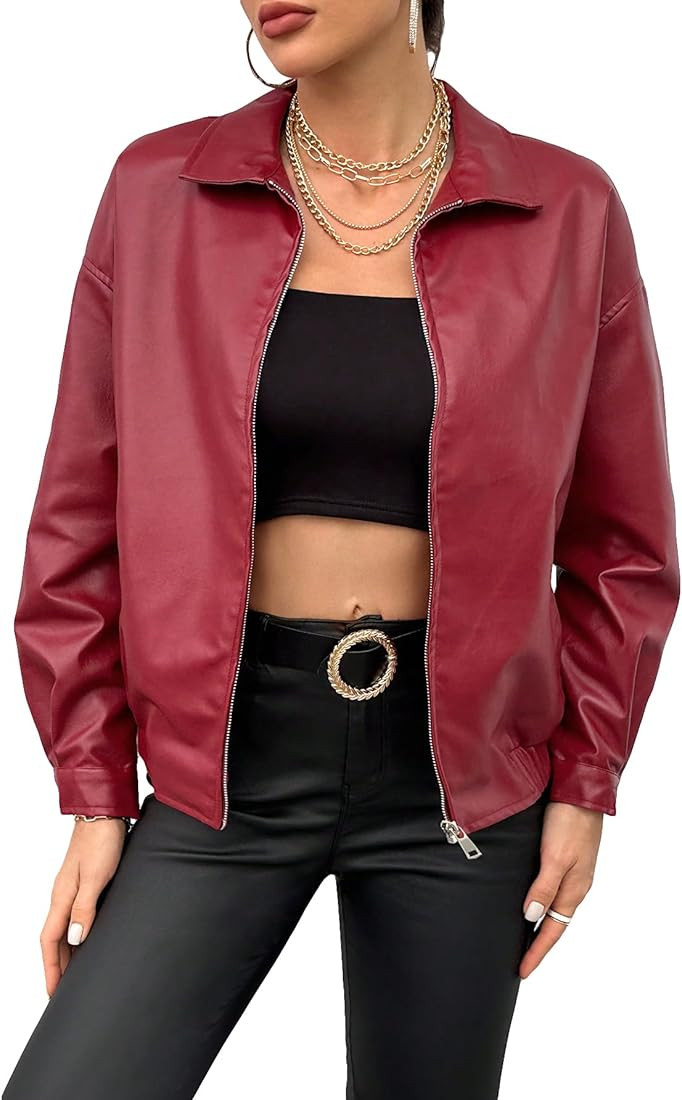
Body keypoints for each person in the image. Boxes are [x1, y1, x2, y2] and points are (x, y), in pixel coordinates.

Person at [3, 2, 679, 1098]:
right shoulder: (159, 189)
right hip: (223, 764)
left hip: (461, 782)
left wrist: (586, 782)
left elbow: (622, 544)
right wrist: (92, 787)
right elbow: (76, 518)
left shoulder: (567, 208)